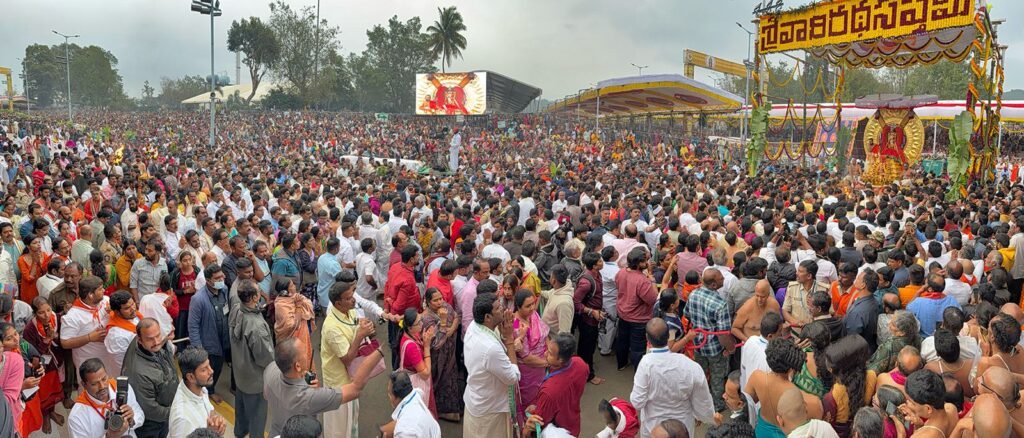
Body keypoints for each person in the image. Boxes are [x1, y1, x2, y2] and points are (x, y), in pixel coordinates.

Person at [264, 336, 384, 437]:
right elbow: (355, 389)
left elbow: (266, 395)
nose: (308, 354)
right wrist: (379, 352)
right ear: (298, 366)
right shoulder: (308, 397)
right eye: (305, 353)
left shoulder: (271, 369)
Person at [631, 318, 714, 437]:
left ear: (647, 338)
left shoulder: (646, 364)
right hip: (682, 426)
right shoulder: (690, 365)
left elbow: (637, 402)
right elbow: (703, 399)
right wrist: (702, 416)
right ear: (668, 336)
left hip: (654, 427)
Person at [321, 277, 377, 438]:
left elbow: (355, 323)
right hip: (338, 384)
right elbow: (346, 359)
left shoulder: (349, 310)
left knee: (352, 423)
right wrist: (360, 335)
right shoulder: (331, 327)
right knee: (338, 429)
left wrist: (364, 326)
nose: (353, 300)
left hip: (351, 378)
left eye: (352, 295)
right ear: (338, 304)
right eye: (348, 298)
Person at [463, 292, 520, 438]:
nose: (502, 309)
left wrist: (505, 332)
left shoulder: (474, 326)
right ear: (487, 317)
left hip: (477, 398)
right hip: (490, 411)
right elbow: (513, 378)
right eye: (497, 308)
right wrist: (509, 339)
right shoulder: (490, 348)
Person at [746, 337, 822, 438]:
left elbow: (746, 406)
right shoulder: (811, 401)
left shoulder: (757, 378)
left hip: (762, 432)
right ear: (792, 367)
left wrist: (789, 353)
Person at [683, 268, 734, 413]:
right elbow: (723, 334)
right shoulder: (720, 304)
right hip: (715, 349)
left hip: (699, 345)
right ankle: (717, 404)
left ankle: (698, 401)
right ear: (713, 285)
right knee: (717, 378)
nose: (723, 279)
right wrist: (730, 348)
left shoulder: (693, 294)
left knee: (700, 374)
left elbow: (687, 314)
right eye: (720, 279)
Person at [229, 279, 274, 438]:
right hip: (256, 381)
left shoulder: (236, 309)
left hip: (241, 374)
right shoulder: (256, 326)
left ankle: (239, 434)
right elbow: (265, 357)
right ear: (255, 297)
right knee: (257, 418)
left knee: (241, 413)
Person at [523, 333, 589, 436]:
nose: (545, 354)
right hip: (572, 422)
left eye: (549, 353)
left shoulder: (550, 392)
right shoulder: (580, 364)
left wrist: (526, 430)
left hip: (556, 432)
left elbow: (538, 424)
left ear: (561, 360)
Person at [121, 318, 178, 437]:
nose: (157, 342)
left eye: (158, 335)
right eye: (150, 339)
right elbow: (150, 409)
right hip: (151, 424)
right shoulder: (138, 372)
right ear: (140, 340)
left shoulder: (154, 344)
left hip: (165, 413)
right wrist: (175, 412)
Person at [67, 358, 144, 437]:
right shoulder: (77, 417)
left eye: (104, 379)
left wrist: (131, 420)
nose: (102, 387)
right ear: (84, 385)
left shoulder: (123, 389)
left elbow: (140, 415)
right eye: (94, 384)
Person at [187, 263, 230, 404]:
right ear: (208, 281)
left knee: (218, 369)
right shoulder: (198, 299)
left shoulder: (224, 290)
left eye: (222, 276)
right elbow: (193, 326)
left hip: (223, 340)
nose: (221, 280)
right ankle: (207, 393)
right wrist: (199, 350)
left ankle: (210, 389)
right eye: (217, 278)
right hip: (208, 344)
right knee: (208, 371)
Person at [21, 296, 65, 433]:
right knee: (44, 391)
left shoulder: (57, 318)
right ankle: (46, 415)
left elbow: (65, 338)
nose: (46, 315)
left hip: (58, 361)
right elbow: (31, 354)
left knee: (56, 387)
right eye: (41, 312)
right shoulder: (30, 329)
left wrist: (55, 337)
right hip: (43, 367)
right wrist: (46, 340)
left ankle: (52, 411)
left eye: (48, 310)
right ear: (35, 313)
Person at [60, 275, 113, 379]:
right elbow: (65, 343)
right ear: (90, 295)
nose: (104, 290)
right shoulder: (73, 316)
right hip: (88, 364)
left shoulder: (106, 301)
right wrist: (90, 338)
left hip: (108, 358)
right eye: (100, 289)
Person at [823, 335, 876, 436]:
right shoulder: (872, 375)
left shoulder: (833, 395)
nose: (828, 365)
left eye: (831, 364)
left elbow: (827, 424)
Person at [168, 347, 227, 438]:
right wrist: (210, 433)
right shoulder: (183, 419)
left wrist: (216, 420)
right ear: (191, 377)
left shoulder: (199, 387)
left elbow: (209, 411)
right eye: (204, 369)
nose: (211, 371)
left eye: (209, 365)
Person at [616, 247, 658, 369]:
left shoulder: (621, 272)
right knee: (637, 347)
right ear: (639, 263)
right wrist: (652, 281)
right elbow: (652, 299)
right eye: (645, 261)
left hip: (623, 312)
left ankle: (621, 364)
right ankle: (639, 372)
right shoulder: (642, 280)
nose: (647, 263)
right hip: (638, 318)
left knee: (622, 340)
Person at [385, 245, 421, 370]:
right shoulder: (407, 279)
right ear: (411, 259)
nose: (419, 257)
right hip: (401, 319)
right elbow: (399, 305)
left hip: (395, 315)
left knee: (396, 346)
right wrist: (390, 304)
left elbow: (387, 285)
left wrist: (387, 305)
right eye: (417, 256)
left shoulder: (396, 266)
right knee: (399, 348)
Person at [397, 307, 436, 415]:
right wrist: (427, 347)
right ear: (410, 328)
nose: (422, 324)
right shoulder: (411, 347)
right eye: (419, 323)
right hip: (417, 383)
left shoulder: (413, 335)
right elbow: (425, 374)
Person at [574, 252, 605, 384]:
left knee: (587, 346)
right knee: (587, 347)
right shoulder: (586, 282)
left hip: (594, 317)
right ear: (593, 266)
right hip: (587, 320)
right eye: (599, 261)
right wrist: (591, 311)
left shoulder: (597, 274)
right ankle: (588, 375)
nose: (602, 262)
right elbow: (575, 302)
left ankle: (582, 370)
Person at [899, 369, 959, 437]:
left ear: (928, 409)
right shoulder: (951, 408)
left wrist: (901, 433)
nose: (907, 403)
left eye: (911, 402)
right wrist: (919, 425)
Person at [382, 371, 441, 438]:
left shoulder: (404, 431)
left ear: (396, 397)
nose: (389, 397)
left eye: (390, 394)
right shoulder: (416, 394)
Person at [273, 278, 315, 362]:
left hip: (303, 333)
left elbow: (308, 303)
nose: (294, 286)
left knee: (306, 357)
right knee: (296, 360)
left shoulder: (294, 296)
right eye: (292, 285)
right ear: (285, 291)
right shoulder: (281, 305)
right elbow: (292, 325)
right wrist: (299, 307)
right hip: (291, 339)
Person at [104, 290, 140, 372]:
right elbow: (121, 366)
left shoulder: (133, 316)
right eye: (127, 308)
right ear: (117, 312)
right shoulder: (116, 337)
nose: (133, 309)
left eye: (133, 303)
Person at [541, 263, 575, 334]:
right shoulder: (558, 289)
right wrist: (537, 291)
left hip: (552, 339)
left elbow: (564, 332)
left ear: (553, 281)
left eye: (550, 276)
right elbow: (548, 294)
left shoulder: (564, 304)